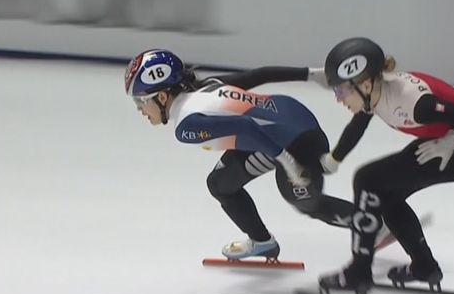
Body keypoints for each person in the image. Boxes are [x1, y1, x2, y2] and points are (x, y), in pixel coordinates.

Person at [124, 48, 353, 260]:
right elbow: (259, 75)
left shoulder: (186, 126)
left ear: (162, 97)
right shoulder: (207, 85)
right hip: (291, 116)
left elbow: (246, 127)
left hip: (298, 142)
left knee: (307, 204)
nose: (139, 109)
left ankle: (370, 223)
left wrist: (289, 162)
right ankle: (262, 241)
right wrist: (312, 75)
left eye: (140, 101)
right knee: (219, 183)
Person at [314, 37, 454, 294]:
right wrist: (334, 158)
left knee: (367, 180)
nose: (338, 99)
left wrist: (453, 138)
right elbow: (358, 125)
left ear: (365, 84)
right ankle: (424, 267)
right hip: (444, 142)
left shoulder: (414, 103)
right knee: (385, 197)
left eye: (341, 91)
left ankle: (359, 272)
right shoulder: (375, 92)